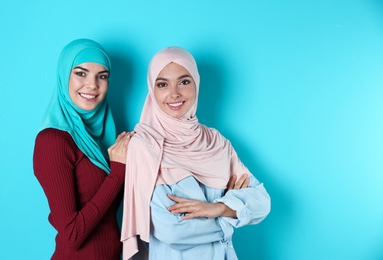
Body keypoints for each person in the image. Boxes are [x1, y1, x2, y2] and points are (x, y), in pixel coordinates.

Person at [120, 46, 271, 260]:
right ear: (152, 90)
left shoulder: (216, 142)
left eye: (184, 81)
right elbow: (170, 230)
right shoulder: (145, 145)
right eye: (163, 84)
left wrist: (217, 208)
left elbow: (262, 202)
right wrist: (232, 213)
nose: (174, 93)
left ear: (196, 84)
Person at [33, 38, 133, 260]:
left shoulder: (102, 138)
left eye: (102, 76)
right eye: (81, 73)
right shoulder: (53, 140)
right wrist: (117, 171)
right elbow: (72, 234)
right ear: (64, 75)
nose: (92, 85)